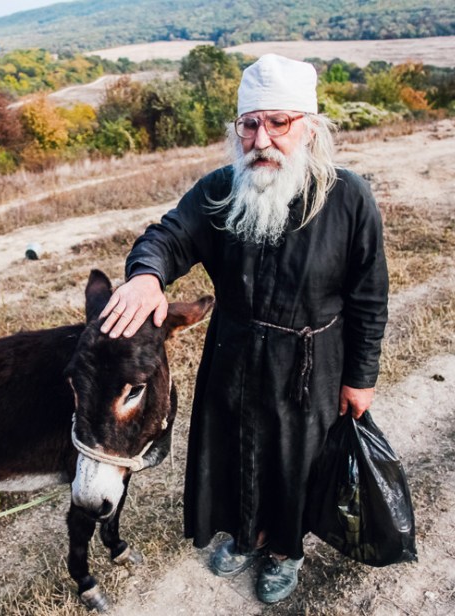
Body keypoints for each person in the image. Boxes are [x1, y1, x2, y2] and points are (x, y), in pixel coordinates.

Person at [98, 54, 389, 604]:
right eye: (250, 124)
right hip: (233, 352)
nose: (262, 138)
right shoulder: (219, 190)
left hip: (312, 361)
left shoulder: (350, 199)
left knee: (296, 458)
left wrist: (361, 377)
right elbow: (167, 237)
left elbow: (370, 298)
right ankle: (246, 534)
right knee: (234, 450)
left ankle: (285, 551)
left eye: (278, 122)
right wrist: (145, 277)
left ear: (308, 126)